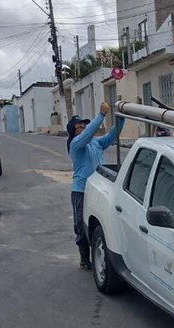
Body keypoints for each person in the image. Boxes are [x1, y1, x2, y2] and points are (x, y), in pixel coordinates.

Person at [67, 102, 125, 270]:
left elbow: (113, 135)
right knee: (81, 225)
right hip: (82, 191)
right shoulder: (76, 145)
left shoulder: (96, 144)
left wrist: (120, 119)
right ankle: (84, 258)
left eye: (85, 125)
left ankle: (100, 255)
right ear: (74, 132)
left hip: (99, 190)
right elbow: (87, 134)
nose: (84, 128)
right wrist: (100, 115)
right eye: (80, 126)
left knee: (101, 223)